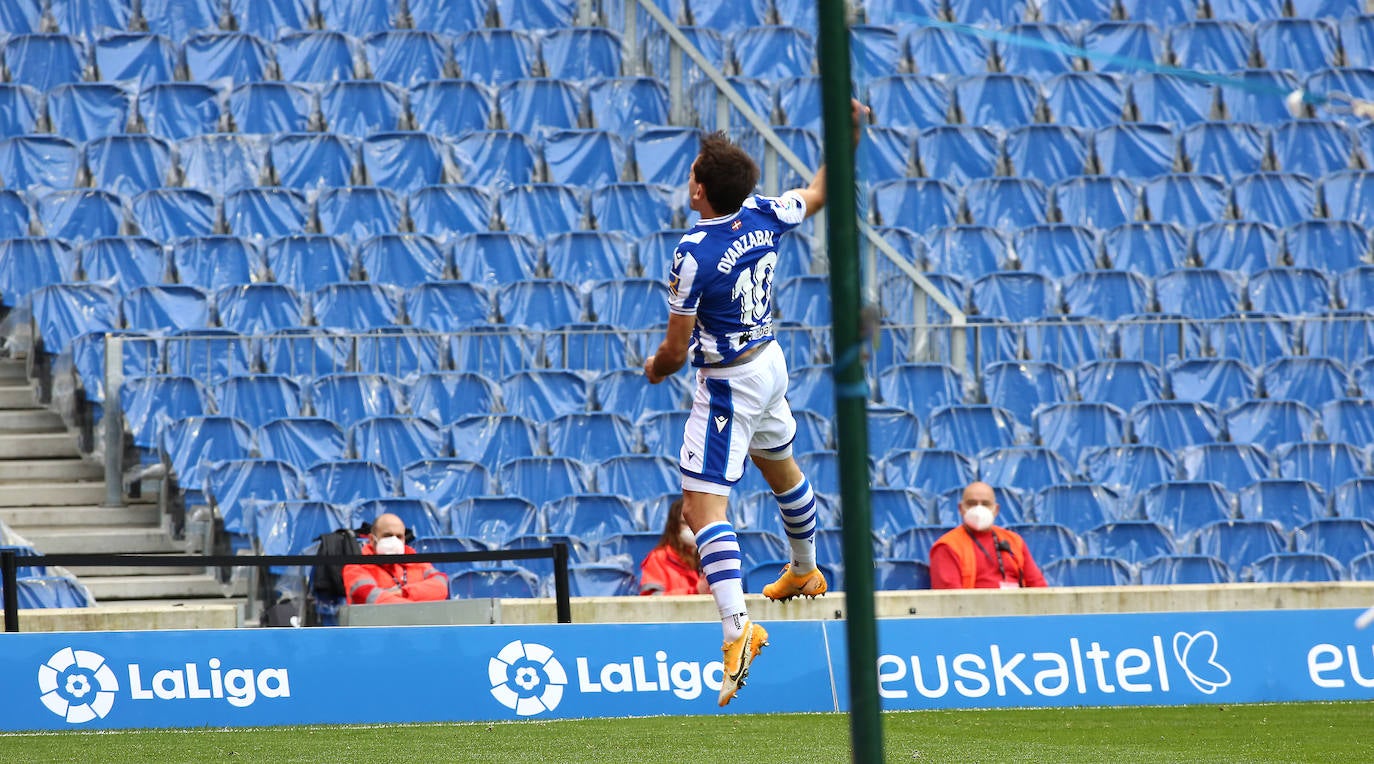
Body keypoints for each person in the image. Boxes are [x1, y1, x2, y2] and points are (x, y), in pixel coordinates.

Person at [642, 100, 866, 706]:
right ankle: (804, 565)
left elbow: (673, 346)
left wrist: (655, 370)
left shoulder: (693, 253)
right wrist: (849, 131)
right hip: (769, 361)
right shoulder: (765, 213)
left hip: (726, 384)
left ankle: (737, 629)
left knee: (699, 509)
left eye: (692, 174)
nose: (688, 181)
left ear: (700, 191)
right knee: (780, 468)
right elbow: (820, 192)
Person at [929, 482, 1048, 590]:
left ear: (996, 510)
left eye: (985, 504)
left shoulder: (1014, 541)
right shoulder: (947, 546)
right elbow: (951, 600)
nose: (978, 509)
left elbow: (1038, 587)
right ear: (961, 509)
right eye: (972, 504)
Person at [342, 513, 449, 604]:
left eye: (399, 537)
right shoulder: (355, 567)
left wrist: (403, 593)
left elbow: (441, 586)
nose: (394, 540)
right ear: (371, 539)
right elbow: (370, 598)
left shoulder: (417, 562)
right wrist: (419, 600)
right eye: (387, 535)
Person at [639, 499, 711, 596]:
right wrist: (693, 592)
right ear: (674, 526)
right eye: (685, 523)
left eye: (697, 522)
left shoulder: (709, 556)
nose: (693, 528)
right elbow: (650, 600)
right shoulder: (658, 558)